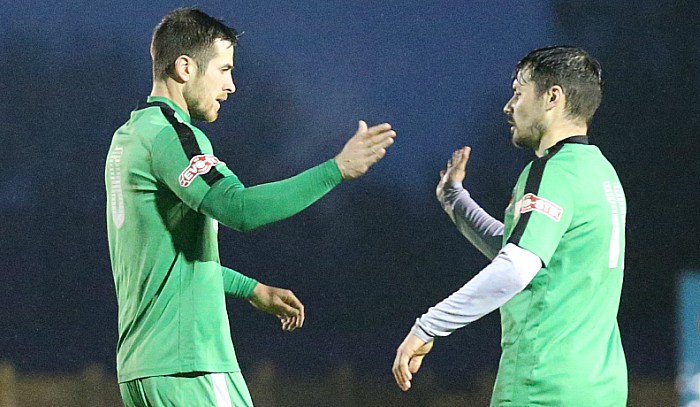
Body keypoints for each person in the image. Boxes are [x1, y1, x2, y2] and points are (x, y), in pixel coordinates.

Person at [105, 7, 396, 407]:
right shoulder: (172, 136)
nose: (231, 86)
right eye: (224, 70)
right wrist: (336, 170)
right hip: (191, 366)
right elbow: (238, 208)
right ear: (185, 68)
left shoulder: (129, 136)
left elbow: (164, 262)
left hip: (145, 368)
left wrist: (251, 289)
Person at [392, 46, 627, 406]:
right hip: (600, 387)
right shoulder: (600, 172)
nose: (509, 106)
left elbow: (517, 266)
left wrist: (430, 325)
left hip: (542, 385)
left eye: (519, 92)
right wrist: (455, 200)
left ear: (552, 97)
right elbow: (524, 248)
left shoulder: (553, 171)